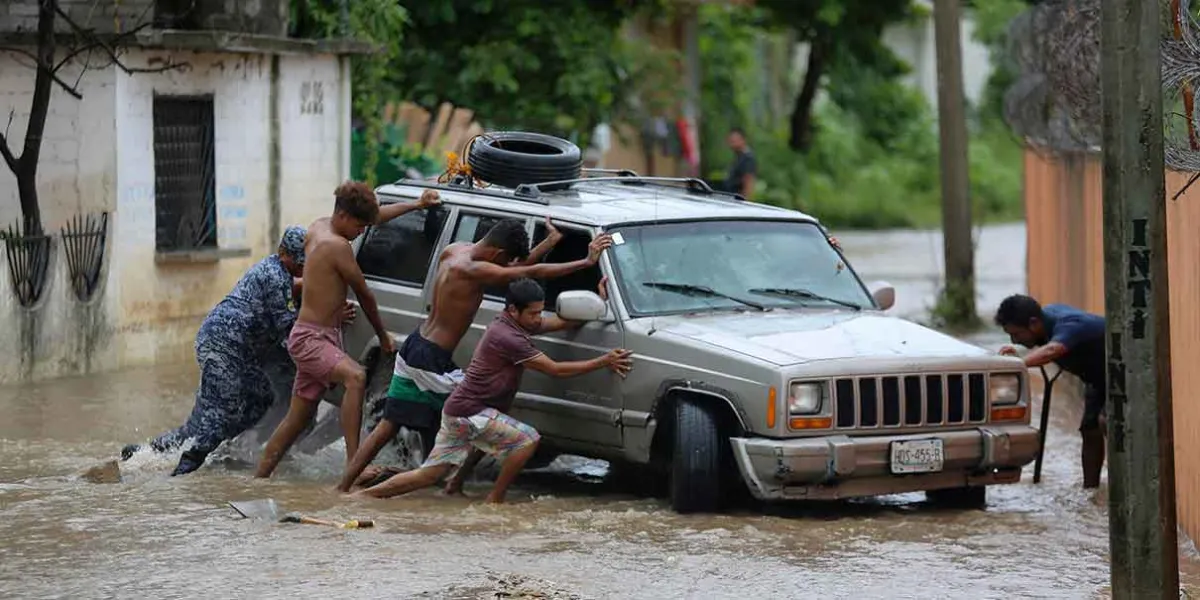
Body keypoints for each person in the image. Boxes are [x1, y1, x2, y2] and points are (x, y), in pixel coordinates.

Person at [335, 218, 614, 492]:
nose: (507, 267)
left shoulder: (456, 250)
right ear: (499, 254)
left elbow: (514, 269)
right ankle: (447, 481)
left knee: (389, 425)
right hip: (431, 361)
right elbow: (527, 271)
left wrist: (548, 243)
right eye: (506, 261)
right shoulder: (474, 269)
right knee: (483, 410)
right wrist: (586, 262)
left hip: (415, 344)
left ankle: (344, 487)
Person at [351, 278, 633, 503]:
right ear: (514, 311)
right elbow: (555, 369)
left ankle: (439, 488)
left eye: (539, 312)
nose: (538, 319)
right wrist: (604, 360)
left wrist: (600, 305)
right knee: (527, 441)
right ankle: (494, 501)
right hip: (468, 412)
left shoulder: (512, 324)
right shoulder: (508, 337)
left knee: (431, 473)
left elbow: (559, 322)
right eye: (533, 313)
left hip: (466, 411)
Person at [254, 183, 441, 478]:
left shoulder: (318, 227)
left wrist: (417, 205)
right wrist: (382, 336)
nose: (362, 231)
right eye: (359, 225)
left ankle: (259, 479)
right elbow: (364, 293)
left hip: (310, 333)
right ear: (342, 215)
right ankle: (354, 467)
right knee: (356, 377)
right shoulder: (337, 246)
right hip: (312, 338)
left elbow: (375, 218)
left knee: (296, 419)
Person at [120, 225, 329, 476]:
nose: (302, 267)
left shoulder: (277, 270)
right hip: (223, 345)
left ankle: (145, 452)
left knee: (258, 400)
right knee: (223, 411)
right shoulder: (275, 277)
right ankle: (184, 469)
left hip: (234, 349)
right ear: (284, 253)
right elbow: (289, 330)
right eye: (299, 262)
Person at [994, 294, 1107, 489]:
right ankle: (1091, 491)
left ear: (1034, 323)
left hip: (1123, 371)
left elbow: (1052, 350)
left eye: (1017, 334)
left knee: (1105, 423)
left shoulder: (1069, 325)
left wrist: (1018, 363)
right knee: (1089, 429)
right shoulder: (1044, 320)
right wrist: (1019, 354)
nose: (1014, 340)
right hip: (1097, 378)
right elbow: (1047, 347)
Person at [724, 127, 757, 199]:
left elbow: (749, 183)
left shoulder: (747, 159)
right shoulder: (739, 157)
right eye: (730, 141)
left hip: (738, 201)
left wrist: (744, 202)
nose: (731, 144)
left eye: (734, 141)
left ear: (743, 140)